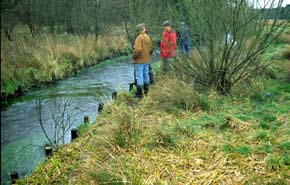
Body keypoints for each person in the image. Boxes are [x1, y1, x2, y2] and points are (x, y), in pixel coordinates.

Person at [132, 23, 153, 98]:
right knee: (146, 75)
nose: (146, 29)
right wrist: (148, 56)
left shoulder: (139, 38)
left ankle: (139, 93)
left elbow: (137, 50)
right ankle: (146, 91)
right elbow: (151, 48)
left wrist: (134, 57)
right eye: (144, 28)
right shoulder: (147, 37)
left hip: (139, 60)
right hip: (146, 60)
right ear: (142, 29)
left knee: (139, 76)